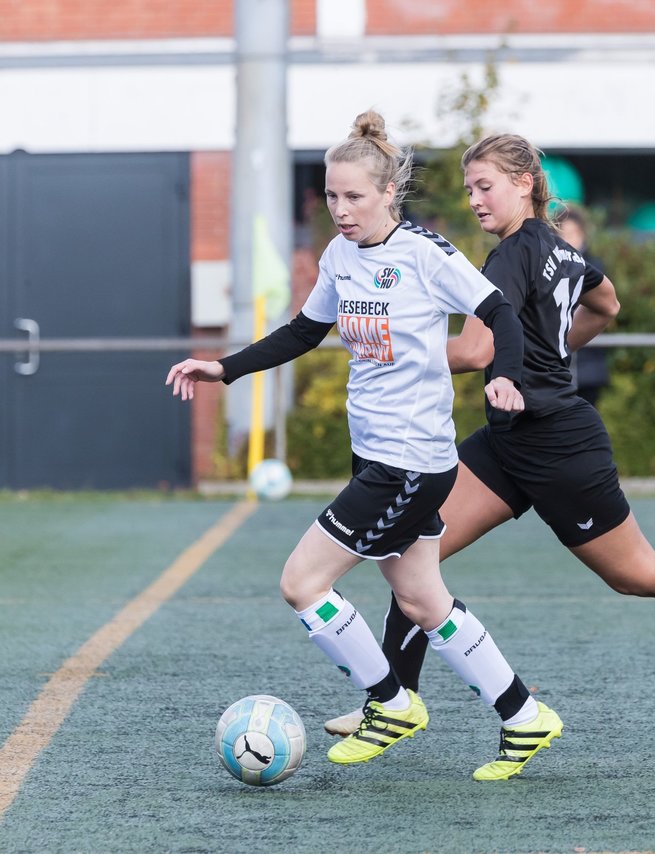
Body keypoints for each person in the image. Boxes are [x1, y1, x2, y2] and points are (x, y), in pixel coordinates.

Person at [326, 132, 655, 740]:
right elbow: (608, 302)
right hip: (509, 439)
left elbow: (478, 348)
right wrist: (550, 349)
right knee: (411, 555)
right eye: (469, 190)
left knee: (638, 574)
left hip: (559, 444)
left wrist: (391, 348)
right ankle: (393, 701)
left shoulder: (510, 255)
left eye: (486, 186)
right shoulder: (559, 247)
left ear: (525, 184)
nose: (476, 201)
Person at [167, 111, 563, 780]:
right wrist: (224, 367)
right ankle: (525, 717)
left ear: (388, 194)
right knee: (420, 597)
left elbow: (497, 310)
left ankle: (390, 702)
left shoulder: (424, 254)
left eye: (354, 197)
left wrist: (503, 375)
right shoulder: (340, 256)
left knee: (301, 582)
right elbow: (301, 332)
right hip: (377, 453)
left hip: (411, 463)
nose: (341, 210)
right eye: (330, 196)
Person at [553, 205, 611, 408]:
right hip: (557, 366)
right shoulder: (547, 268)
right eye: (563, 234)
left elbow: (607, 307)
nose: (569, 240)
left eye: (573, 234)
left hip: (586, 365)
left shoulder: (594, 268)